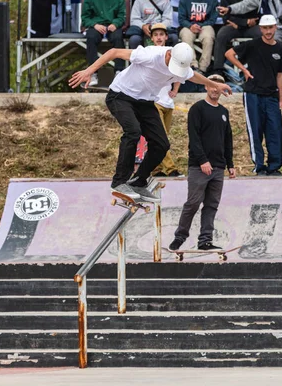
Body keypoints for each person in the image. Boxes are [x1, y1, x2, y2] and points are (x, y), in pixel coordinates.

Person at [68, 43, 232, 202]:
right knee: (133, 131)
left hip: (145, 103)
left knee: (161, 144)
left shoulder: (181, 67)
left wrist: (214, 84)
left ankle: (138, 182)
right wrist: (89, 71)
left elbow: (193, 76)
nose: (172, 70)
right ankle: (119, 182)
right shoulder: (151, 54)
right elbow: (114, 52)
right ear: (169, 54)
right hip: (120, 96)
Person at [169, 74, 235, 252]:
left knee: (211, 205)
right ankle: (180, 236)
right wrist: (203, 161)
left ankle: (205, 240)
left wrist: (230, 164)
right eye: (211, 86)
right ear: (206, 87)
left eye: (218, 86)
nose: (215, 89)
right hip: (199, 167)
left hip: (218, 167)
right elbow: (194, 138)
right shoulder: (197, 109)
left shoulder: (223, 112)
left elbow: (227, 139)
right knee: (193, 203)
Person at [225, 15, 282, 176]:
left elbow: (280, 75)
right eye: (265, 28)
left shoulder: (280, 49)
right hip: (253, 94)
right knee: (255, 131)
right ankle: (259, 166)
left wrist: (281, 99)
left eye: (271, 27)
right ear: (260, 29)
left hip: (272, 95)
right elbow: (229, 54)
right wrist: (244, 69)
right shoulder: (252, 44)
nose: (268, 31)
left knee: (275, 131)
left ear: (275, 27)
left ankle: (274, 166)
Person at [150, 23, 183, 178]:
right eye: (155, 35)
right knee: (161, 137)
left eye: (161, 35)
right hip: (154, 102)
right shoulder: (148, 53)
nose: (158, 37)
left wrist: (175, 89)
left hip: (167, 102)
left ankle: (155, 168)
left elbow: (180, 73)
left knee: (158, 138)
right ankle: (171, 169)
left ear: (166, 37)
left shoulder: (172, 54)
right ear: (151, 38)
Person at [211, 0, 261, 78]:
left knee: (261, 34)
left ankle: (258, 68)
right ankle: (218, 71)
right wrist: (244, 22)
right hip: (234, 27)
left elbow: (257, 15)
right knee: (221, 35)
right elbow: (226, 17)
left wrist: (242, 23)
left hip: (250, 26)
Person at [81, 0, 126, 87]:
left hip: (112, 26)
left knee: (118, 37)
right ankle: (93, 73)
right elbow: (85, 18)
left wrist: (115, 24)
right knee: (91, 37)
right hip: (96, 26)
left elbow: (122, 16)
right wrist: (94, 25)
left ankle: (119, 72)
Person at [178, 0, 219, 74]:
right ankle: (193, 66)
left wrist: (199, 26)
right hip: (188, 25)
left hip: (205, 25)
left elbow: (213, 19)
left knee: (208, 37)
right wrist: (190, 26)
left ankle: (203, 68)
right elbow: (181, 19)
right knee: (186, 36)